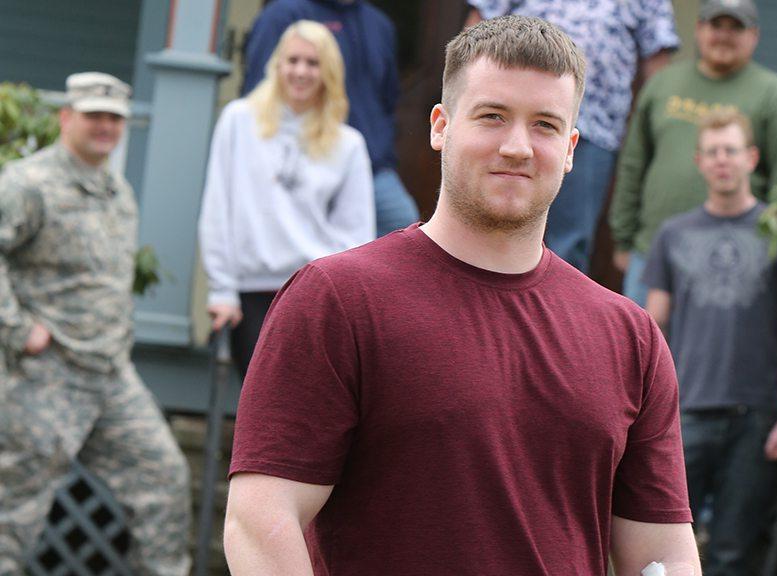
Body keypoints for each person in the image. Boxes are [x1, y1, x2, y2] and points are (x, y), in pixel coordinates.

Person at [224, 16, 700, 575]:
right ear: (441, 126)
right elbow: (260, 521)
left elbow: (663, 553)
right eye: (492, 116)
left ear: (570, 148)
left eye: (545, 125)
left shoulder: (630, 337)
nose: (518, 147)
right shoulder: (339, 300)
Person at [0, 73, 190, 575]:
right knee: (11, 517)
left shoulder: (117, 191)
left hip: (110, 378)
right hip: (46, 377)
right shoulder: (26, 184)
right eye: (93, 115)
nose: (105, 126)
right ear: (66, 117)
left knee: (165, 482)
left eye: (114, 118)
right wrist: (17, 330)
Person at [643, 110, 777, 575]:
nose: (722, 160)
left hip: (756, 417)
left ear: (751, 158)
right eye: (713, 152)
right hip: (684, 414)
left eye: (731, 150)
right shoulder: (672, 235)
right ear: (699, 161)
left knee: (734, 552)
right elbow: (651, 329)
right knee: (663, 550)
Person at [199, 20, 375, 378]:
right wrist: (222, 289)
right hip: (251, 293)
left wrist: (338, 301)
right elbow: (218, 208)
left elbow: (356, 234)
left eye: (312, 63)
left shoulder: (348, 144)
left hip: (313, 297)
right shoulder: (238, 121)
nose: (300, 71)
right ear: (276, 65)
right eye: (292, 60)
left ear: (328, 72)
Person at [609, 0, 777, 306]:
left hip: (731, 262)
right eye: (717, 25)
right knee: (642, 350)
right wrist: (623, 238)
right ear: (699, 29)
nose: (724, 35)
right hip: (651, 254)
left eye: (736, 27)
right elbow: (633, 164)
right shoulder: (663, 84)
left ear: (754, 36)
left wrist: (768, 255)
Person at [465, 0, 679, 272]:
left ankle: (552, 313)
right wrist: (467, 103)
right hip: (509, 118)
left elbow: (657, 58)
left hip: (595, 131)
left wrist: (654, 137)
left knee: (569, 243)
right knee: (492, 223)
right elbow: (477, 26)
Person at [242, 0, 419, 238]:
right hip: (303, 159)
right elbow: (259, 92)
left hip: (372, 165)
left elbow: (388, 99)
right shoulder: (283, 14)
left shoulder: (380, 25)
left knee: (402, 224)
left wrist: (383, 151)